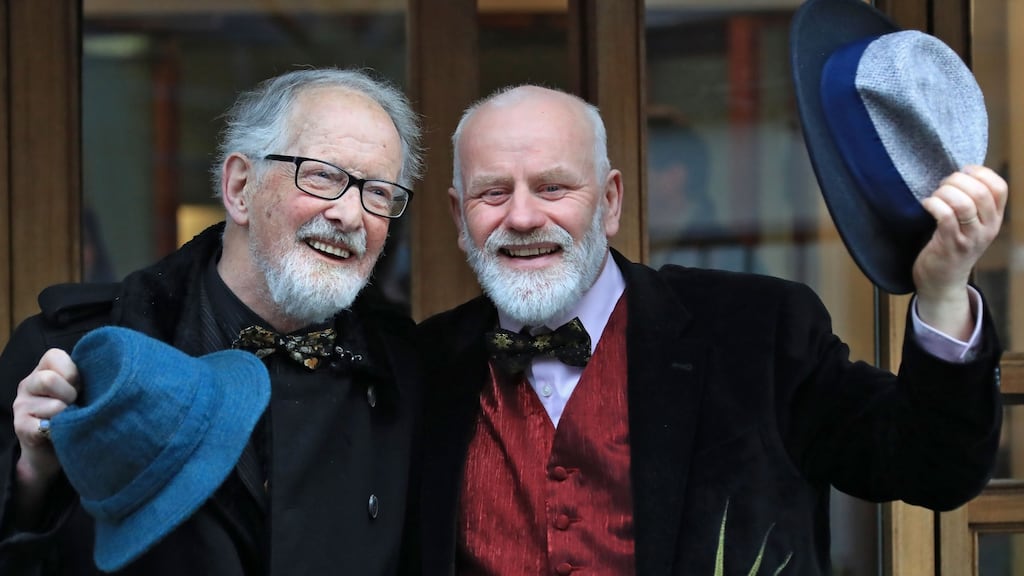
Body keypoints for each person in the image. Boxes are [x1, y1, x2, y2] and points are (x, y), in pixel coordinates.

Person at [414, 85, 1006, 574]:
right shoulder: (422, 365)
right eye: (493, 192)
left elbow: (932, 467)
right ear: (458, 216)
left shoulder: (759, 330)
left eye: (553, 187)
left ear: (611, 202)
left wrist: (944, 290)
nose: (521, 217)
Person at [0, 67, 423, 575]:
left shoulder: (409, 373)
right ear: (240, 187)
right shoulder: (71, 350)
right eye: (322, 175)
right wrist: (31, 475)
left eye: (377, 192)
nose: (350, 214)